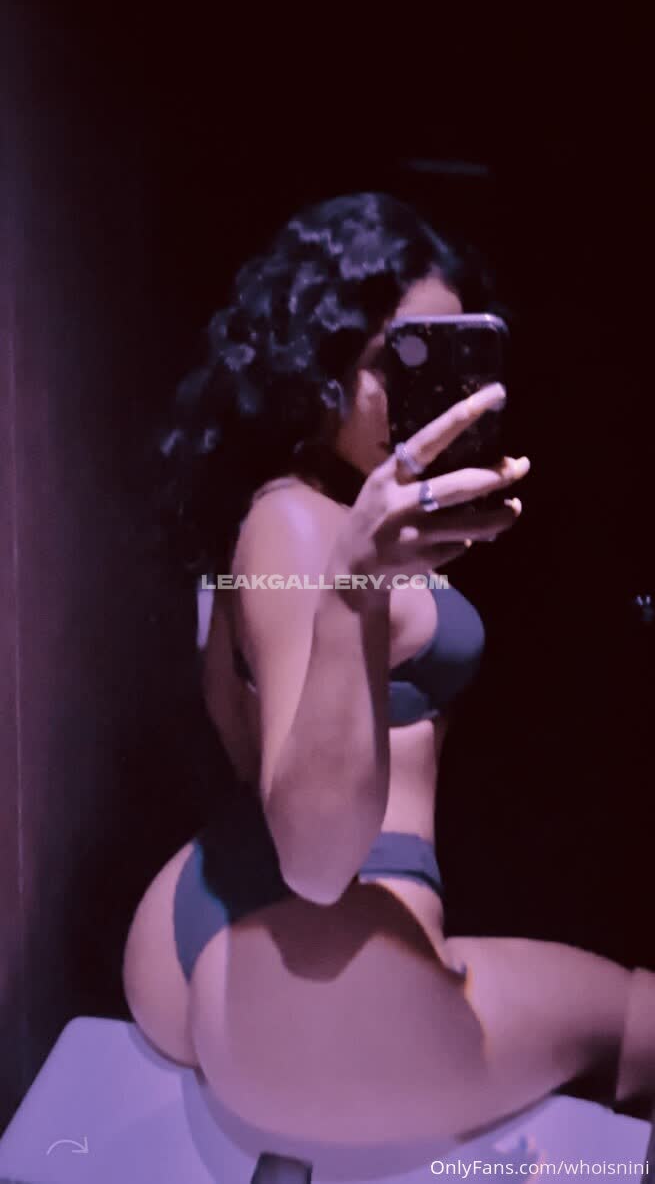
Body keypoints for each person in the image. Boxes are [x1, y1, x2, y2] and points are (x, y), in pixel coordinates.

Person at [122, 193, 655, 1183]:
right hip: (319, 958)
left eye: (448, 359)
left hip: (217, 918)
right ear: (316, 363)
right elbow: (318, 865)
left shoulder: (290, 512)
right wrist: (356, 590)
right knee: (638, 1020)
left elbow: (241, 732)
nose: (426, 397)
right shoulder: (297, 527)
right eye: (393, 362)